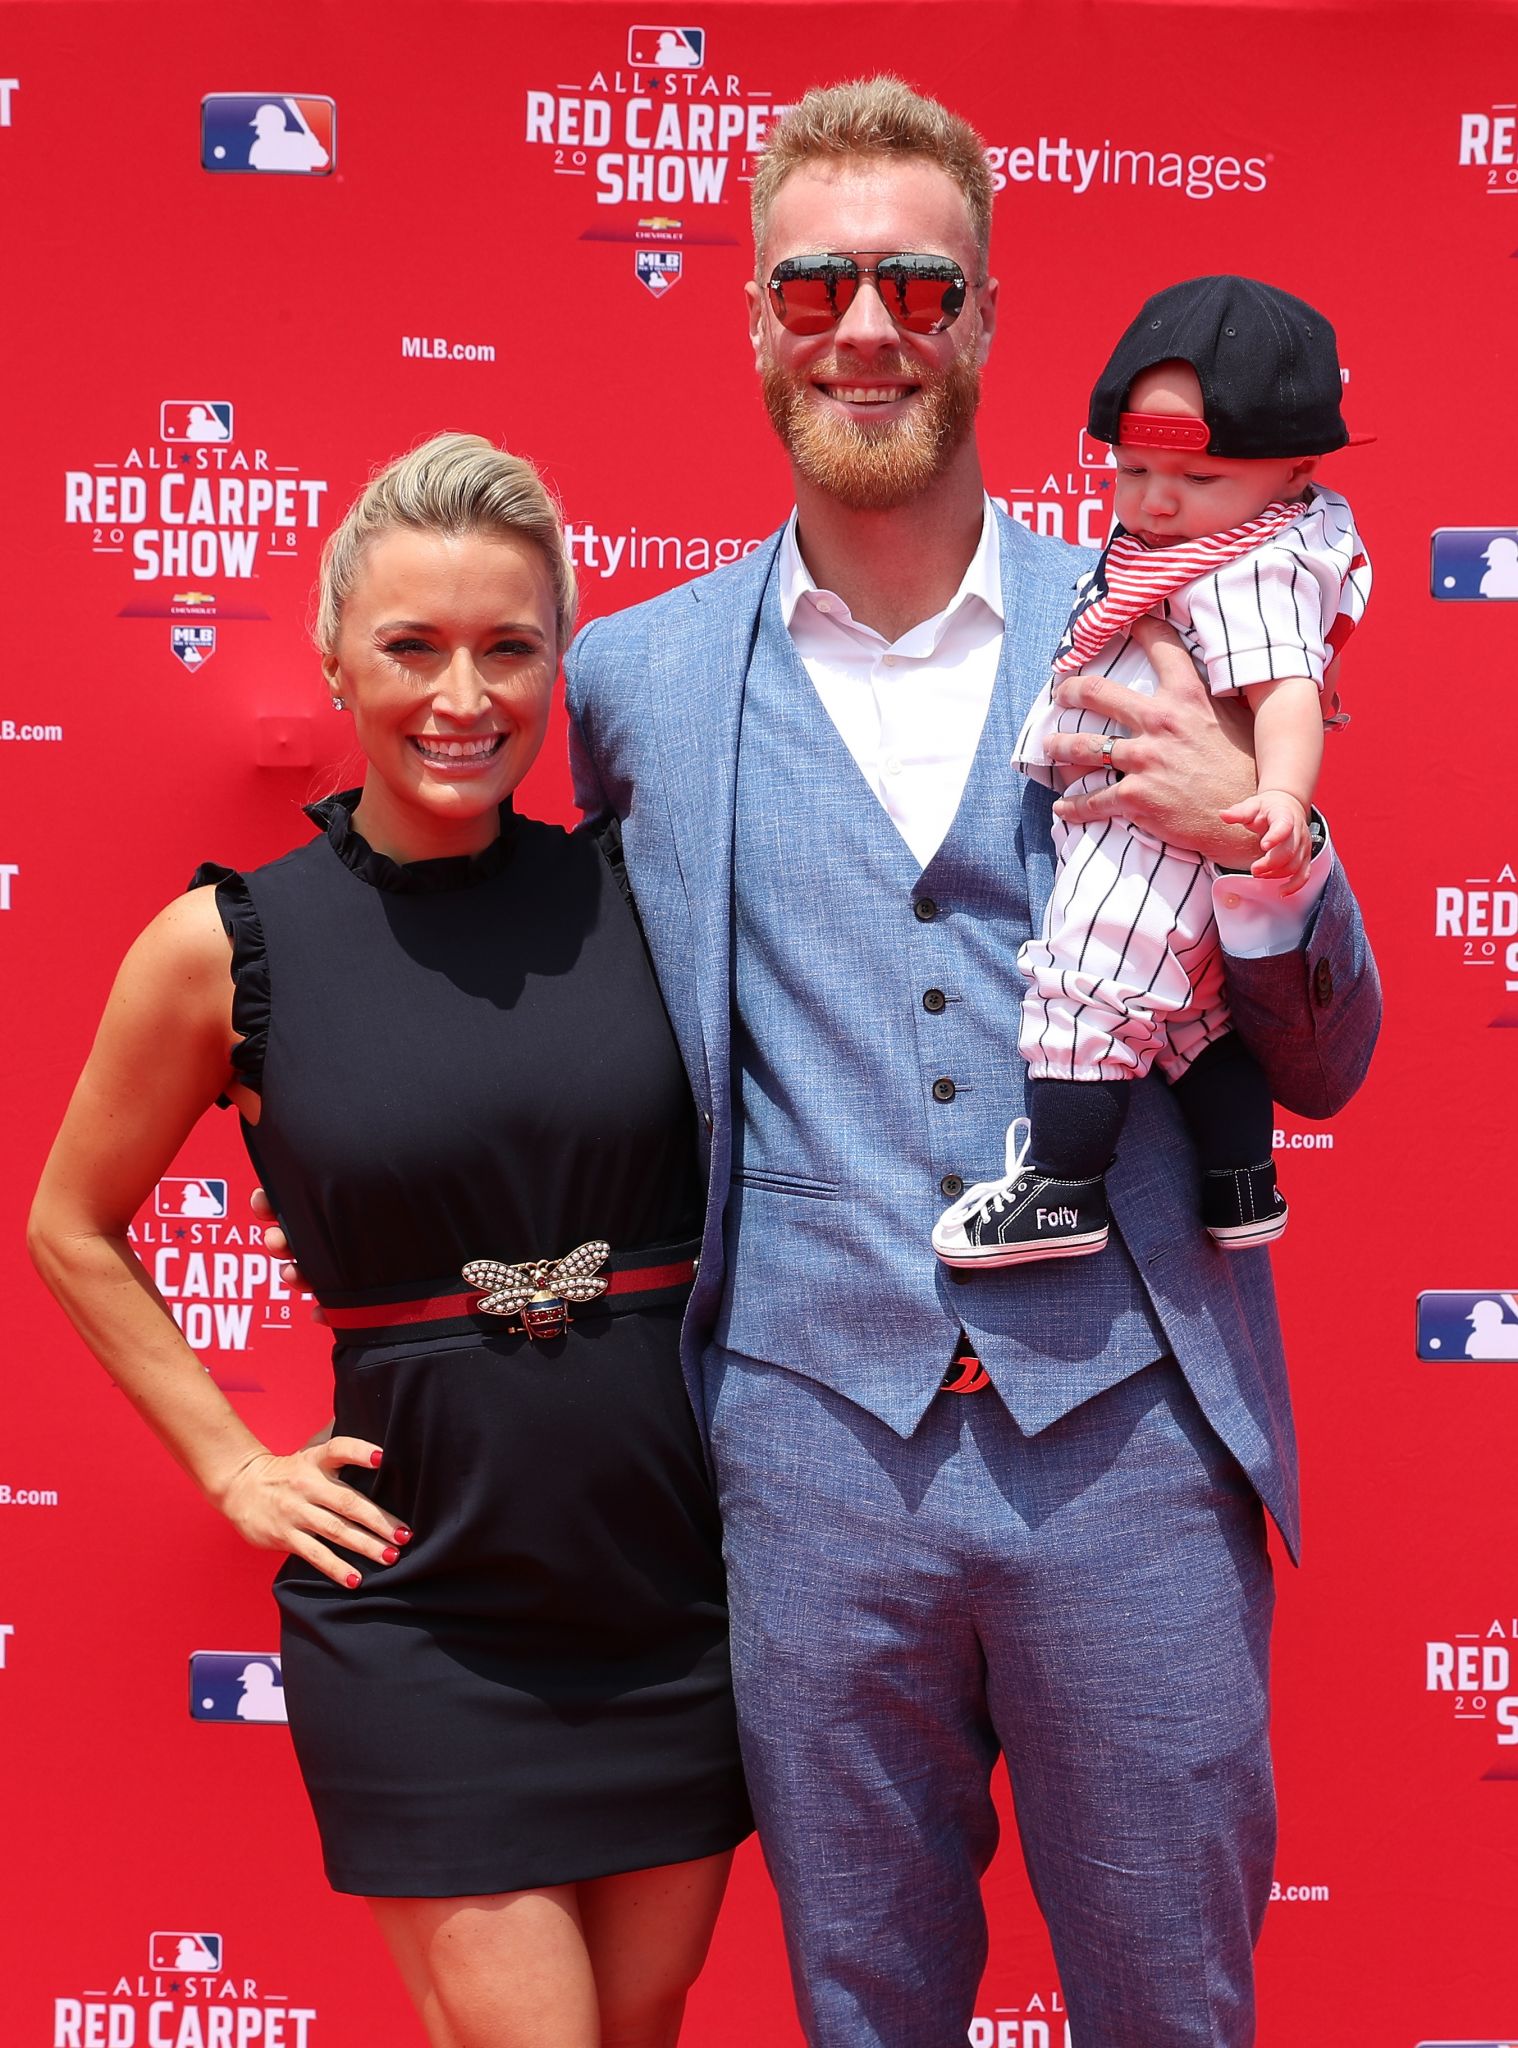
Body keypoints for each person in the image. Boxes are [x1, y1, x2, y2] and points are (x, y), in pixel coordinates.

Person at [558, 77, 1379, 2048]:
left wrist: (1259, 852)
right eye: (818, 284)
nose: (864, 327)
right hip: (808, 1450)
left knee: (1176, 2008)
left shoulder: (1171, 635)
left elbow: (1328, 1052)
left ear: (988, 320)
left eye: (915, 288)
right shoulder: (632, 686)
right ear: (754, 316)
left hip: (1128, 1434)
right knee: (866, 2010)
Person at [28, 433, 751, 2048]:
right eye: (411, 646)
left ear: (559, 662)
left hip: (670, 1587)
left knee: (637, 2022)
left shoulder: (643, 894)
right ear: (333, 655)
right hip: (424, 1602)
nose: (461, 694)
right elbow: (69, 1224)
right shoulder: (229, 947)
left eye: (508, 647)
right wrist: (229, 1463)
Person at [932, 274, 1372, 1269]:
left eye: (1199, 479)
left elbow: (1290, 693)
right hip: (1126, 816)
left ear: (1294, 473)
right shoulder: (1171, 548)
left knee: (1086, 985)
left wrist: (1274, 806)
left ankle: (1064, 1187)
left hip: (1149, 835)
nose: (1157, 501)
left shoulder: (1251, 561)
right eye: (1130, 472)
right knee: (1190, 1023)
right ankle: (1242, 1179)